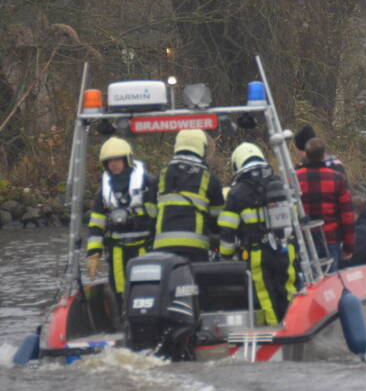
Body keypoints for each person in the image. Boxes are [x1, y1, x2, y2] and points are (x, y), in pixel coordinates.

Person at [218, 142, 296, 326]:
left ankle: (275, 331)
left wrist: (226, 256)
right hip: (286, 247)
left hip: (258, 253)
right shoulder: (279, 183)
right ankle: (294, 326)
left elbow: (227, 228)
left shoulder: (237, 192)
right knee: (288, 289)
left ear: (237, 163)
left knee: (265, 295)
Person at [86, 137, 158, 311]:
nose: (114, 165)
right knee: (120, 291)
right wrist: (94, 254)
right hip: (117, 250)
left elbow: (158, 215)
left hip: (144, 249)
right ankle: (124, 321)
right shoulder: (103, 192)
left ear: (127, 160)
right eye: (109, 161)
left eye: (117, 160)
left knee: (146, 289)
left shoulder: (147, 184)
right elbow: (96, 224)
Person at [153, 129, 224, 262]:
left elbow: (150, 213)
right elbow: (217, 219)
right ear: (202, 148)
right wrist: (216, 242)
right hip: (196, 248)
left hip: (162, 248)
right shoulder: (209, 179)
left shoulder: (162, 176)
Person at [296, 137, 355, 271]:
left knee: (308, 282)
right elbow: (347, 215)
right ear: (324, 155)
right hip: (331, 239)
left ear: (306, 154)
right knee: (330, 282)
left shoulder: (295, 178)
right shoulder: (337, 178)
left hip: (304, 239)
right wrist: (348, 246)